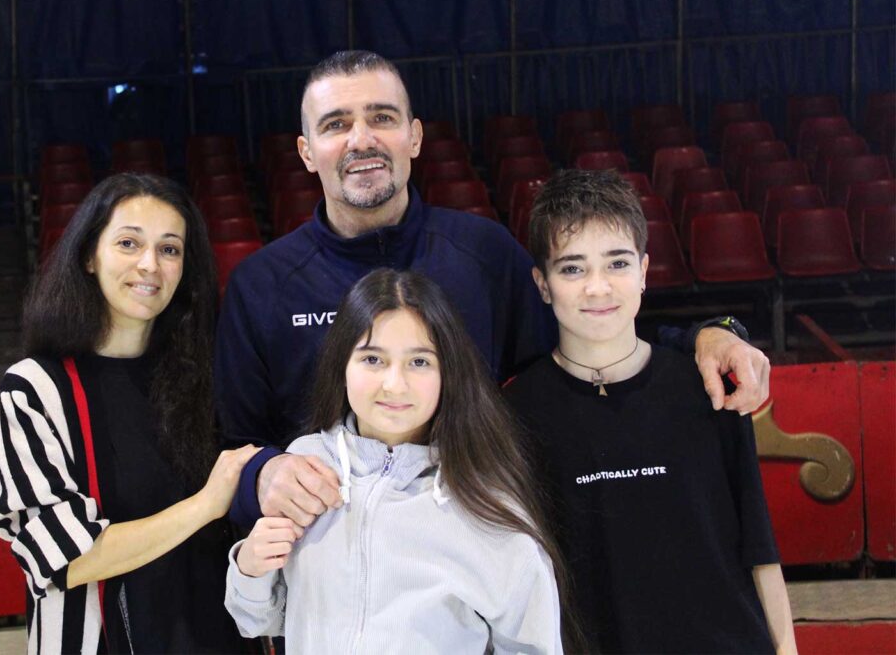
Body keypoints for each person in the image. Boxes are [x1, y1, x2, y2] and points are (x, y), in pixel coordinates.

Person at [214, 49, 771, 529]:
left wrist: (706, 336)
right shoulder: (261, 286)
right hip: (331, 558)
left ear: (414, 137)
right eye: (336, 124)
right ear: (307, 152)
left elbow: (586, 348)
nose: (362, 139)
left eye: (381, 117)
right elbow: (232, 445)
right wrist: (261, 476)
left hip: (473, 546)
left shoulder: (482, 253)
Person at [503, 169, 797, 654]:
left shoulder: (709, 386)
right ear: (542, 284)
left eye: (616, 264)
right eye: (573, 268)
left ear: (643, 271)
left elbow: (759, 550)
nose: (597, 288)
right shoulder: (515, 413)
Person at [225, 268, 582, 654]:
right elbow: (258, 621)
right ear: (342, 364)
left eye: (419, 362)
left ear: (449, 372)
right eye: (373, 359)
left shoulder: (487, 505)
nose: (394, 384)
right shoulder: (305, 468)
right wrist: (250, 566)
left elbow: (534, 647)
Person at [0, 173, 259, 654]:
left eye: (170, 250)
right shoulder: (32, 391)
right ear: (89, 256)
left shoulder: (207, 377)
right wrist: (205, 505)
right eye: (129, 243)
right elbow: (66, 559)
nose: (150, 265)